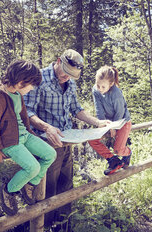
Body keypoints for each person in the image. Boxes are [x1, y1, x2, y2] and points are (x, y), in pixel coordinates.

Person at [23, 49, 109, 228]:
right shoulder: (39, 78)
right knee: (48, 190)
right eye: (65, 73)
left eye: (72, 75)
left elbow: (76, 109)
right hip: (47, 143)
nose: (67, 77)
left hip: (66, 141)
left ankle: (63, 226)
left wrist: (97, 122)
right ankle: (43, 227)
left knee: (66, 186)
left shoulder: (70, 83)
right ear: (57, 61)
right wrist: (47, 127)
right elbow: (27, 111)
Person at [0, 60, 57, 216]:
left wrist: (30, 133)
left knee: (50, 154)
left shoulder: (16, 94)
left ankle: (30, 184)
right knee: (33, 167)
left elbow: (22, 117)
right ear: (21, 82)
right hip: (9, 141)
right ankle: (8, 190)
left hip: (23, 135)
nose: (32, 89)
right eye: (31, 85)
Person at [88, 65, 132, 175]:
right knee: (91, 139)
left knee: (118, 149)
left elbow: (120, 112)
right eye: (98, 85)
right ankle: (113, 160)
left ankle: (127, 153)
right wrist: (102, 124)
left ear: (111, 84)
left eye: (103, 87)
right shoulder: (95, 90)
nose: (100, 89)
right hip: (107, 122)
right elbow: (99, 109)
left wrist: (114, 128)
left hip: (122, 121)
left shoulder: (116, 93)